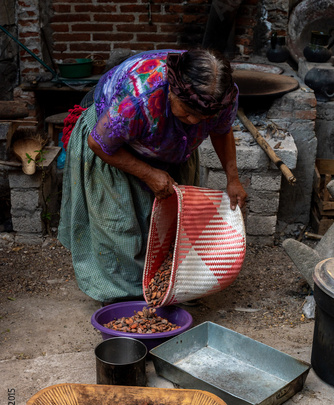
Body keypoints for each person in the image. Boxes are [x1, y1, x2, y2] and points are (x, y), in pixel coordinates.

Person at [57, 48, 247, 304]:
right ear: (171, 89)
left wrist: (232, 179)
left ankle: (164, 289)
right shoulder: (137, 98)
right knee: (119, 227)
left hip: (170, 148)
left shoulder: (221, 96)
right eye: (186, 112)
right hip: (113, 147)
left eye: (201, 118)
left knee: (171, 225)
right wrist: (147, 173)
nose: (192, 121)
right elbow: (98, 143)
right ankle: (125, 300)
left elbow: (222, 131)